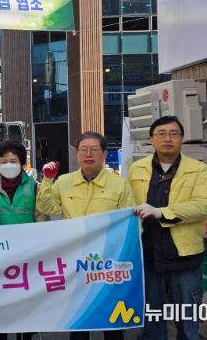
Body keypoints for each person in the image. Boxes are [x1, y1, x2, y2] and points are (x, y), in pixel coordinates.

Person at [36, 131, 134, 340]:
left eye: (94, 150)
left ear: (104, 154)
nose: (88, 154)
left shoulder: (119, 185)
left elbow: (131, 224)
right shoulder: (64, 182)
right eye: (83, 150)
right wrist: (47, 180)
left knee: (112, 321)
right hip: (76, 262)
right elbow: (46, 207)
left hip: (108, 263)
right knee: (79, 320)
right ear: (77, 154)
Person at [129, 116, 207, 340]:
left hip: (184, 258)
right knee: (152, 324)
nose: (168, 138)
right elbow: (126, 204)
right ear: (151, 139)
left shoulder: (198, 169)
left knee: (187, 325)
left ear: (181, 139)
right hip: (148, 257)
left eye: (174, 134)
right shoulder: (137, 169)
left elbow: (202, 206)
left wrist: (161, 212)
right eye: (161, 134)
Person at [0, 141, 37, 340]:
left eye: (13, 160)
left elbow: (41, 218)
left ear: (21, 163)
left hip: (28, 253)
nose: (8, 165)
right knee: (0, 302)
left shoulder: (33, 186)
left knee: (26, 301)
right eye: (4, 161)